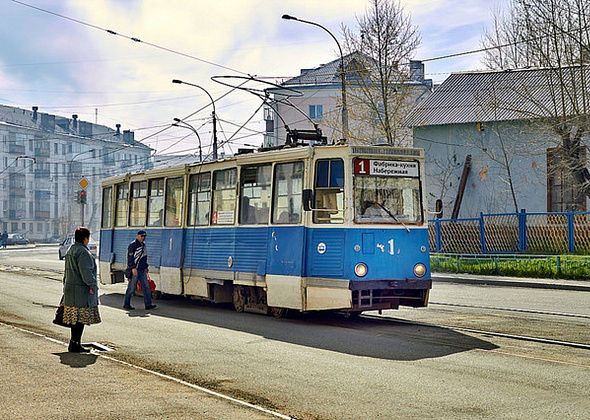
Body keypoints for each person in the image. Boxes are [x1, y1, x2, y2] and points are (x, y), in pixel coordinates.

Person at [62, 226, 101, 353]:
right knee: (80, 318)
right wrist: (92, 285)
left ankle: (74, 342)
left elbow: (66, 272)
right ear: (86, 238)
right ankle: (75, 344)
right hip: (81, 291)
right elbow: (86, 273)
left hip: (70, 288)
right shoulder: (83, 252)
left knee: (75, 318)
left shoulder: (71, 250)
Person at [123, 230, 157, 310]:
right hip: (135, 270)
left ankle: (148, 304)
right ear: (137, 236)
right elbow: (130, 258)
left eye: (144, 236)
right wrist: (133, 268)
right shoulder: (133, 245)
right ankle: (126, 304)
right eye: (141, 236)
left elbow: (144, 258)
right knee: (131, 288)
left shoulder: (143, 245)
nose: (143, 238)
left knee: (146, 287)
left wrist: (146, 267)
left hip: (142, 270)